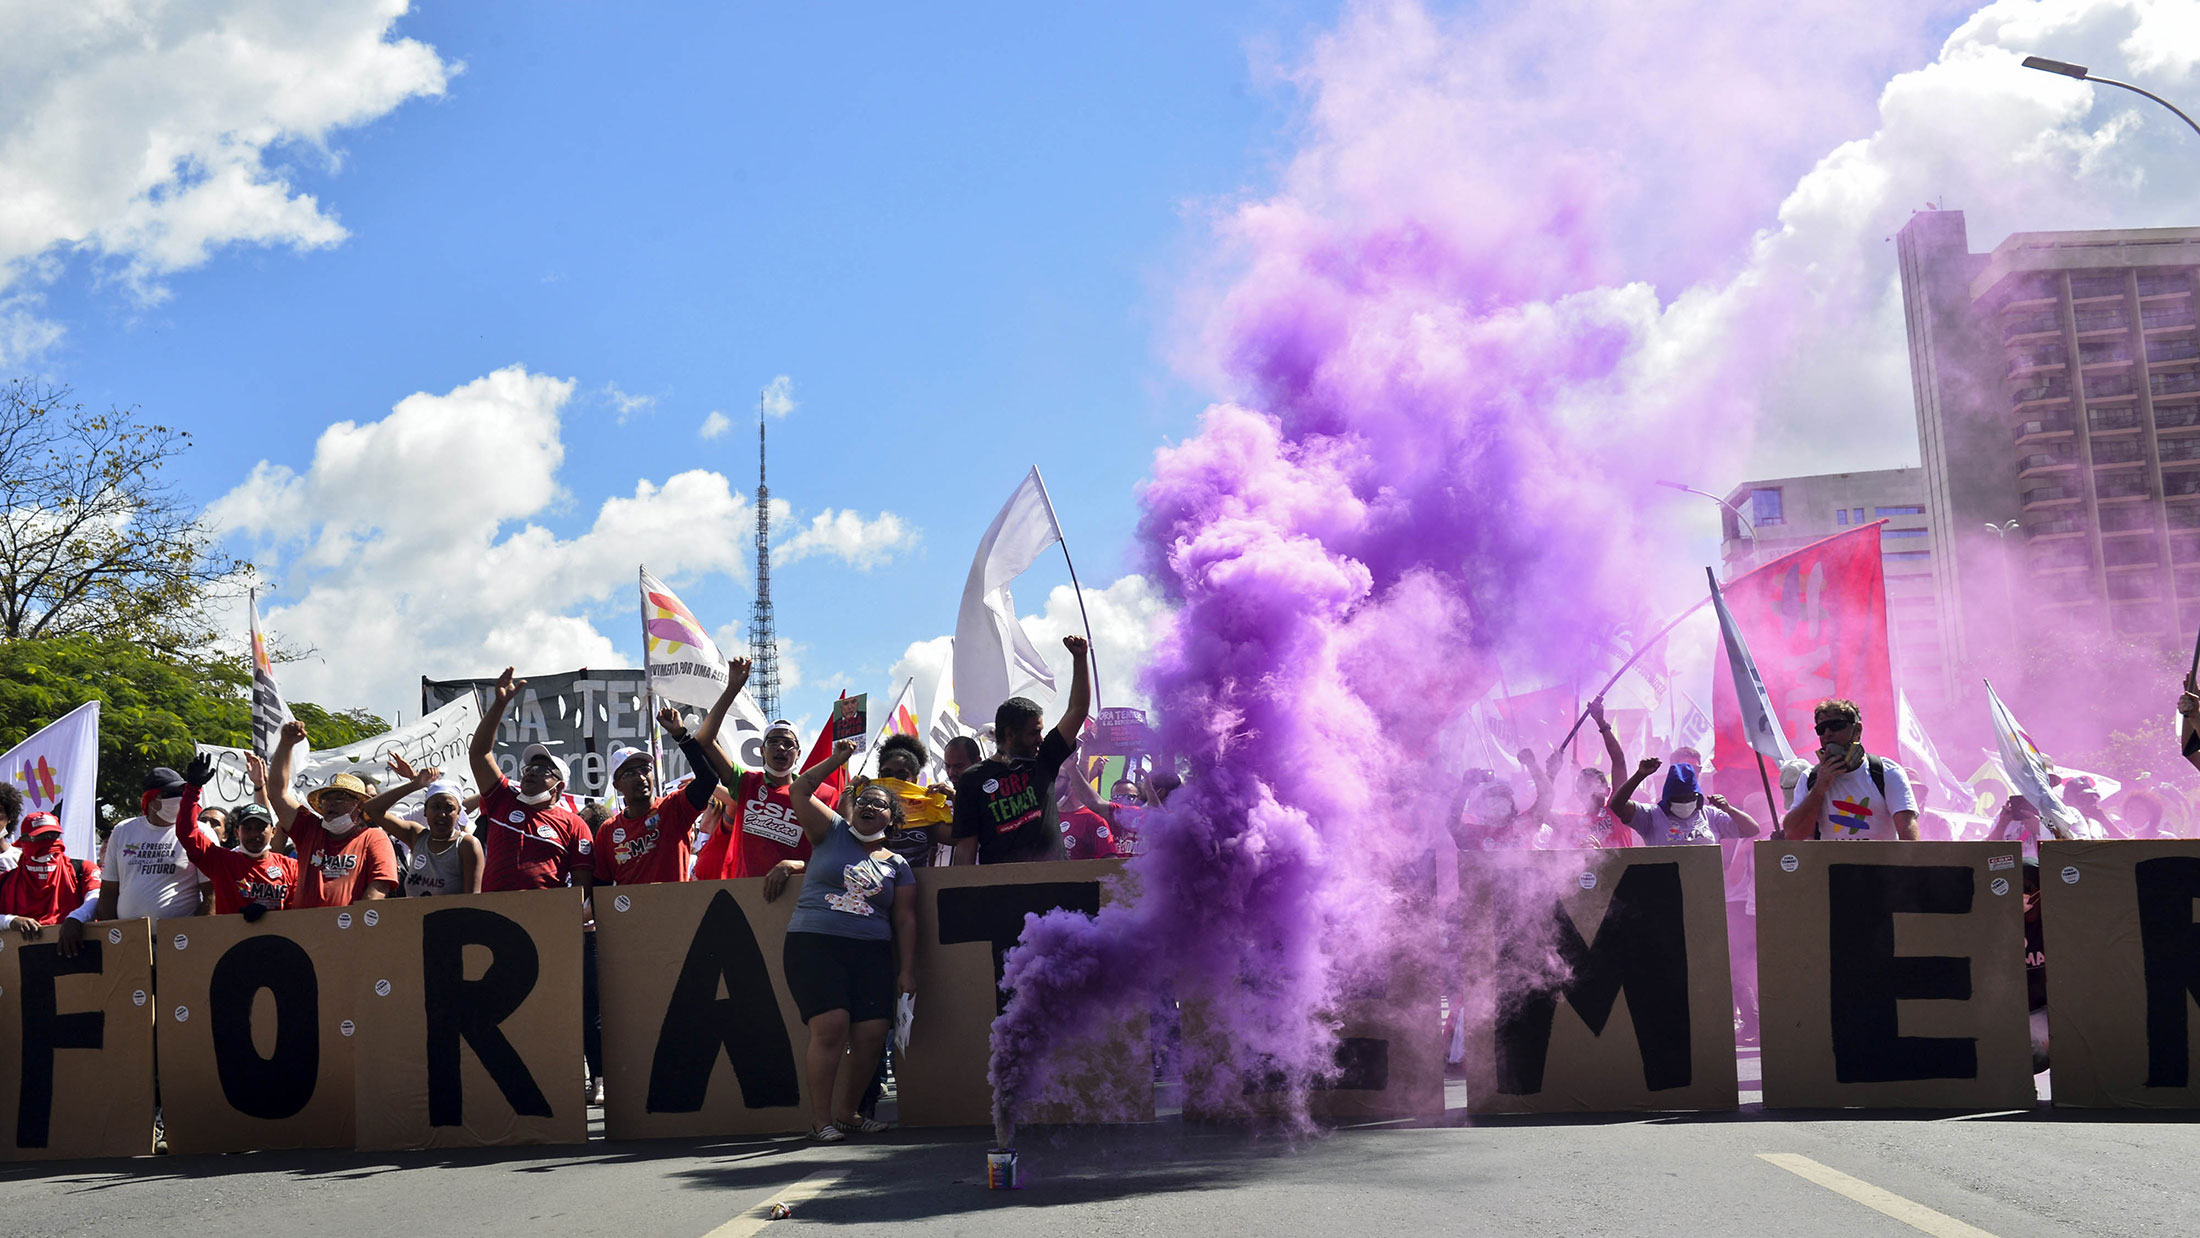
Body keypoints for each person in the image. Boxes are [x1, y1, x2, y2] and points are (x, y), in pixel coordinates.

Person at [775, 739, 915, 1141]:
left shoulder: (899, 866)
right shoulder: (830, 832)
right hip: (815, 944)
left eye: (880, 804)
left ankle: (849, 1112)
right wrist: (839, 759)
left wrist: (907, 970)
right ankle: (820, 1120)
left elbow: (905, 919)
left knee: (872, 1035)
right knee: (832, 1026)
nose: (869, 807)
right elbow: (799, 789)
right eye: (863, 800)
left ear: (892, 818)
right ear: (852, 809)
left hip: (871, 951)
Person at [951, 636, 1092, 865]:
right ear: (1009, 734)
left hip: (1054, 883)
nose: (1040, 739)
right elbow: (966, 845)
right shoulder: (973, 779)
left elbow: (1077, 710)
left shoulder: (1045, 759)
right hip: (1001, 889)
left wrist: (1080, 657)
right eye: (1033, 733)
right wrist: (960, 894)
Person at [468, 667, 596, 894]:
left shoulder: (574, 825)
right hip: (494, 913)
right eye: (530, 767)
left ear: (559, 787)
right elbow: (479, 754)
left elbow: (582, 885)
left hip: (545, 917)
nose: (531, 773)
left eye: (543, 770)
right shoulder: (502, 798)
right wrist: (499, 705)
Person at [60, 767, 212, 954]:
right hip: (130, 944)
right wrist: (116, 936)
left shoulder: (199, 832)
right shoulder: (123, 831)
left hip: (181, 943)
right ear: (152, 800)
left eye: (182, 791)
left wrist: (192, 935)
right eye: (171, 793)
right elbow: (108, 893)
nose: (180, 797)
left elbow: (212, 894)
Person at [593, 702, 727, 888]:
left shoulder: (675, 807)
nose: (640, 777)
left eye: (644, 769)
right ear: (617, 785)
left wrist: (680, 734)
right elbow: (601, 884)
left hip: (675, 912)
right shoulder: (608, 831)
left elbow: (708, 779)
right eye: (630, 773)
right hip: (631, 915)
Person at [265, 722, 400, 906]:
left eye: (340, 798)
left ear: (358, 806)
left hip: (350, 930)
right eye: (327, 798)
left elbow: (380, 886)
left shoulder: (373, 838)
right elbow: (276, 793)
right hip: (303, 930)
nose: (331, 804)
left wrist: (357, 923)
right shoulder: (309, 829)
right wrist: (286, 745)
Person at [173, 755, 298, 917]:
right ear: (237, 833)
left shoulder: (290, 867)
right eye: (248, 828)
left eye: (260, 828)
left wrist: (269, 918)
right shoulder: (221, 862)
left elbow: (297, 913)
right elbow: (186, 833)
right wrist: (192, 789)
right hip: (232, 941)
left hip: (277, 941)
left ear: (273, 832)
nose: (254, 834)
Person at [1779, 697, 1918, 841]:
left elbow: (1908, 834)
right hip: (1830, 864)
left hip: (1880, 863)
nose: (1827, 733)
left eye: (1836, 725)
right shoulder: (1809, 778)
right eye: (1821, 729)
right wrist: (1818, 788)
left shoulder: (1887, 772)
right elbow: (1793, 835)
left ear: (1857, 729)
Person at [358, 763, 483, 898]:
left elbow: (472, 903)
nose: (442, 814)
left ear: (458, 813)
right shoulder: (416, 836)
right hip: (412, 918)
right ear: (424, 811)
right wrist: (416, 784)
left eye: (449, 808)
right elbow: (371, 809)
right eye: (435, 807)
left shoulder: (467, 845)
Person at [1609, 751, 1761, 846]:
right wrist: (1640, 775)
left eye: (1689, 798)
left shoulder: (1710, 815)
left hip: (1706, 888)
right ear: (1668, 799)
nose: (1684, 803)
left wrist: (1729, 809)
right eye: (1679, 799)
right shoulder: (1651, 815)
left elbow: (1752, 829)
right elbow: (1617, 805)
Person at [854, 734, 952, 868]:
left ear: (915, 780)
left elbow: (960, 836)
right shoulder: (863, 809)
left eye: (901, 775)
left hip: (917, 885)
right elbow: (839, 834)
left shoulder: (927, 810)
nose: (894, 779)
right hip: (871, 886)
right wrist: (850, 791)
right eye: (887, 774)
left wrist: (955, 797)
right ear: (879, 777)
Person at [0, 811, 99, 935]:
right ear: (24, 841)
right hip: (24, 950)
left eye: (53, 836)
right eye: (40, 837)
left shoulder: (82, 869)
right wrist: (10, 921)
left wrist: (76, 918)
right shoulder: (6, 881)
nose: (48, 843)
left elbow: (96, 897)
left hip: (74, 947)